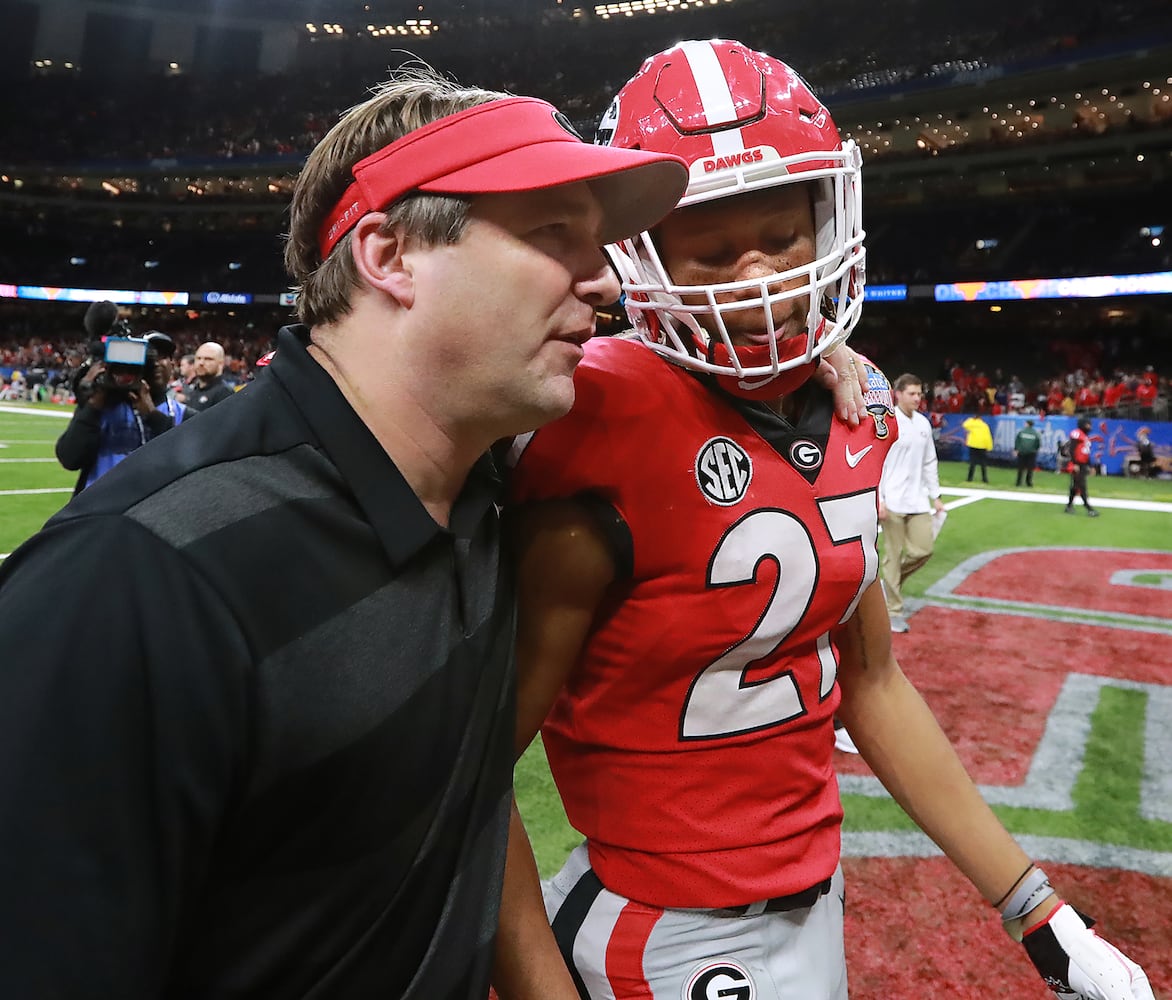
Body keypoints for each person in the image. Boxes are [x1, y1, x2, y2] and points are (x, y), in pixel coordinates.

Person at [0, 66, 689, 999]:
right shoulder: (136, 580)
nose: (604, 275)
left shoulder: (486, 481)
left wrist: (831, 371)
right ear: (391, 256)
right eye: (552, 232)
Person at [495, 40, 1153, 1000]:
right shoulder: (592, 418)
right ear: (644, 259)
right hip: (665, 931)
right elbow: (468, 771)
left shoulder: (857, 404)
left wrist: (1038, 912)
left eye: (781, 235)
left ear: (827, 215)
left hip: (807, 900)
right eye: (715, 252)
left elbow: (871, 681)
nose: (758, 275)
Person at [55, 329, 186, 493]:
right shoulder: (103, 405)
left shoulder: (183, 414)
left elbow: (186, 462)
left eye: (162, 356)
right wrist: (93, 405)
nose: (156, 363)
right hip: (98, 508)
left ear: (173, 365)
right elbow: (70, 459)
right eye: (148, 357)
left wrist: (152, 416)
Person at [879, 374, 947, 633]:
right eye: (912, 394)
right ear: (898, 394)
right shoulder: (887, 421)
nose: (918, 398)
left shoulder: (923, 424)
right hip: (892, 500)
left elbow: (930, 461)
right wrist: (879, 498)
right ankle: (894, 611)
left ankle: (890, 584)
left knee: (923, 550)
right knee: (893, 556)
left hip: (918, 500)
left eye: (920, 394)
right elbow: (879, 463)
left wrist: (936, 496)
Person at [185, 340, 235, 411]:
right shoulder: (194, 390)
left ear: (221, 364)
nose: (201, 363)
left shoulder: (225, 393)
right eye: (198, 358)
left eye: (208, 359)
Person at [1065, 414, 1100, 516]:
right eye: (1088, 424)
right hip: (1077, 464)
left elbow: (1085, 453)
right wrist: (1075, 463)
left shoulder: (1084, 436)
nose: (1090, 426)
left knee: (1075, 486)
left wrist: (1091, 466)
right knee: (1082, 486)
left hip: (1083, 464)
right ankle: (1089, 508)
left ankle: (1069, 506)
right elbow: (1072, 450)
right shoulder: (1077, 434)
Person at [962, 411, 992, 482]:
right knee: (983, 464)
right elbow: (988, 437)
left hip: (973, 445)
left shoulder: (972, 424)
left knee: (972, 463)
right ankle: (984, 479)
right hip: (982, 446)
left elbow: (964, 425)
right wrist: (989, 447)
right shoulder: (985, 425)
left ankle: (969, 478)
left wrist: (971, 419)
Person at [1014, 417, 1042, 487]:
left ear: (1027, 424)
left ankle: (1018, 482)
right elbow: (1038, 443)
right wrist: (1035, 450)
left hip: (1022, 452)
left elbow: (1017, 441)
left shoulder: (1022, 432)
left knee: (1020, 468)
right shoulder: (1035, 433)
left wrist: (1016, 449)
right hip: (1031, 453)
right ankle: (1028, 482)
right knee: (1030, 469)